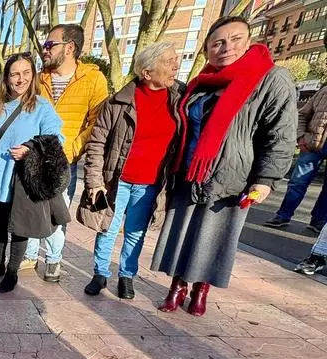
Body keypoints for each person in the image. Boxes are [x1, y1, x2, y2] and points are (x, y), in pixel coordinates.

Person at [151, 17, 297, 316]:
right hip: (189, 171)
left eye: (235, 39)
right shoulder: (201, 82)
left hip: (232, 176)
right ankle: (177, 286)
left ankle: (200, 289)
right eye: (218, 42)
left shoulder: (269, 78)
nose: (226, 48)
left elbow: (281, 133)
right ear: (207, 49)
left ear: (248, 41)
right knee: (182, 231)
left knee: (213, 235)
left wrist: (266, 178)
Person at [80, 41, 184, 299]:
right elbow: (97, 142)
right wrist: (94, 181)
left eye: (176, 59)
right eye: (168, 61)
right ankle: (100, 274)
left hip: (151, 183)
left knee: (136, 233)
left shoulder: (180, 101)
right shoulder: (118, 102)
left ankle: (127, 276)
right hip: (116, 180)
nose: (176, 65)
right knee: (108, 228)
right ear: (147, 72)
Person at [22, 24, 109, 281]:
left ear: (69, 47)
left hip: (64, 162)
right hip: (34, 158)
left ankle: (53, 260)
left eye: (50, 45)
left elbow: (97, 124)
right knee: (30, 209)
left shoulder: (94, 79)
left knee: (55, 214)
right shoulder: (39, 79)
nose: (44, 50)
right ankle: (28, 255)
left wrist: (71, 149)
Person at [0, 52, 65, 292]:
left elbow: (55, 137)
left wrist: (30, 148)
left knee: (19, 227)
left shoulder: (41, 107)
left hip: (23, 179)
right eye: (15, 74)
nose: (21, 79)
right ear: (6, 78)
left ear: (33, 75)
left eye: (26, 73)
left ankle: (12, 271)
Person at [264, 84, 327, 232]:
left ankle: (318, 220)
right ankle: (283, 215)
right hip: (312, 144)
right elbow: (303, 114)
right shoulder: (324, 92)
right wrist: (301, 137)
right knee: (298, 182)